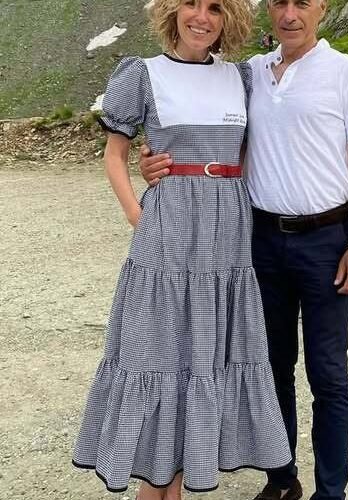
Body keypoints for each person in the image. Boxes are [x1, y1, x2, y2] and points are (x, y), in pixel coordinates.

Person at [139, 0, 348, 499]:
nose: (290, 14)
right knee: (270, 368)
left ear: (322, 8)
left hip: (326, 240)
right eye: (279, 2)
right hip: (260, 241)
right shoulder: (249, 74)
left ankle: (331, 492)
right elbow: (215, 135)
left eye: (303, 3)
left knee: (329, 375)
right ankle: (282, 480)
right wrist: (155, 162)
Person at [72, 0, 292, 499]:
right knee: (158, 352)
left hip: (227, 231)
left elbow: (250, 150)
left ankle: (172, 483)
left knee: (202, 356)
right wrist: (137, 213)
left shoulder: (239, 77)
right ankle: (155, 487)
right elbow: (115, 154)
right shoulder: (143, 73)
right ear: (171, 11)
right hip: (168, 225)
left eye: (215, 7)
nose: (202, 17)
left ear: (228, 17)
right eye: (191, 3)